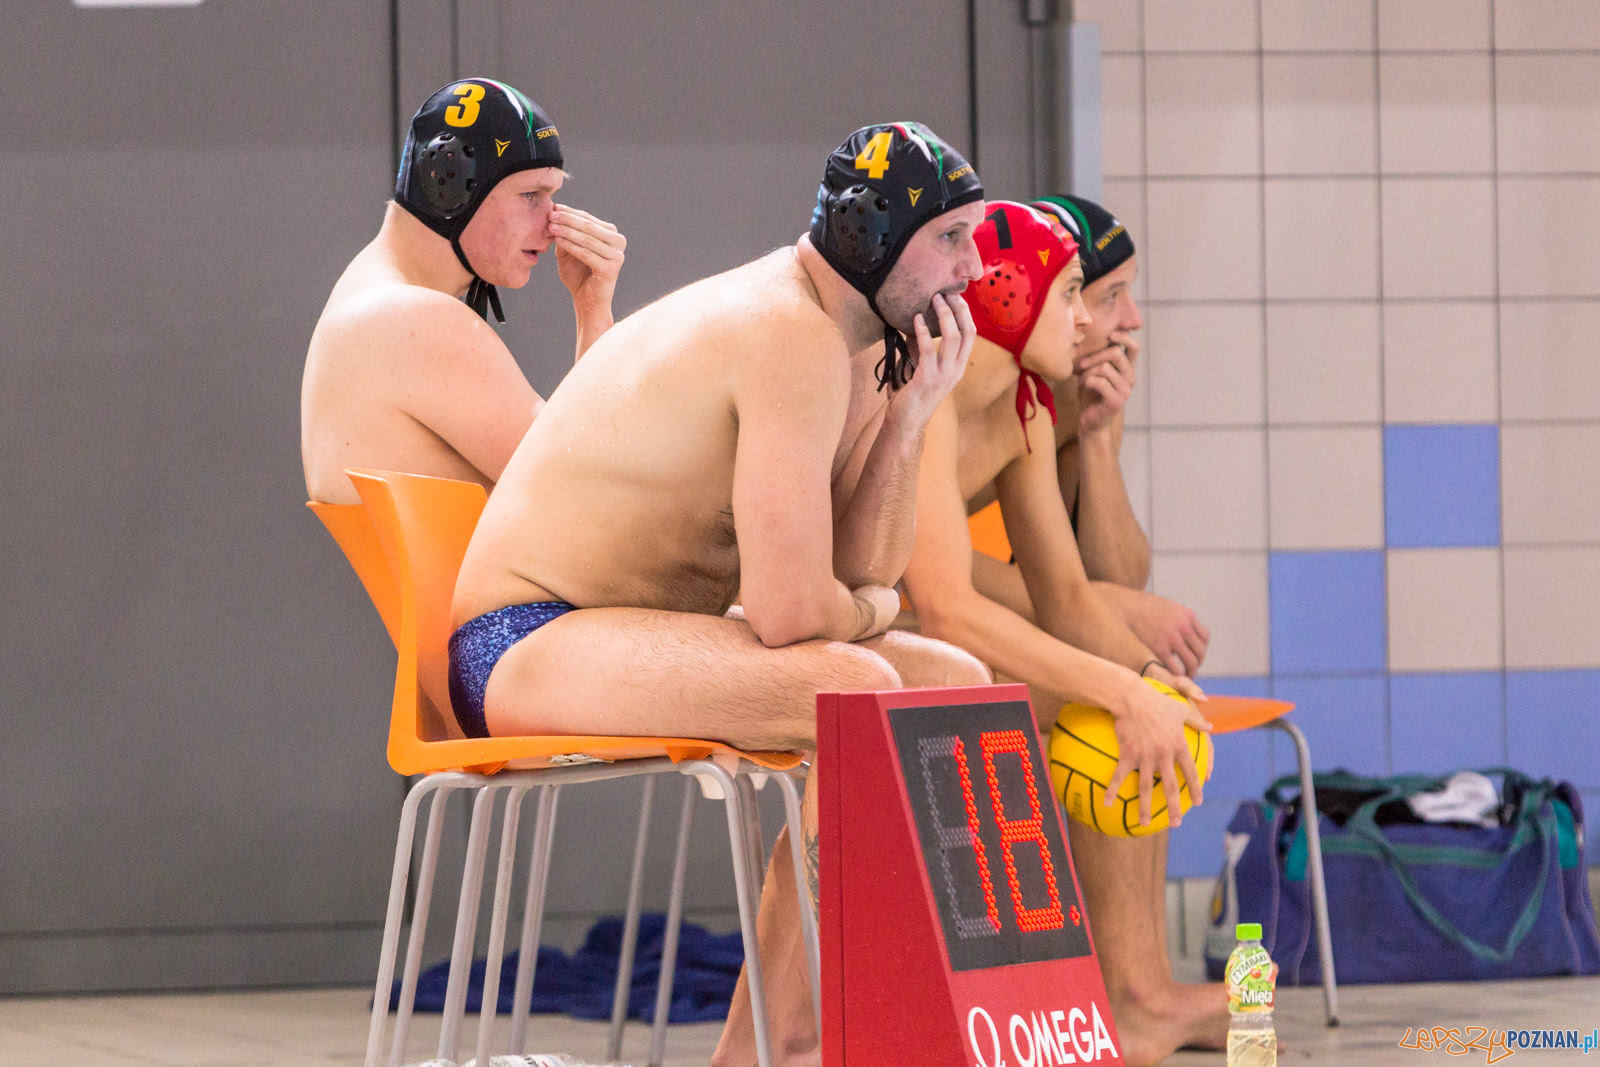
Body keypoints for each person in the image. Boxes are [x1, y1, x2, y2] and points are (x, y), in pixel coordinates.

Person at [449, 123, 994, 1064]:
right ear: (874, 236)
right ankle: (779, 1045)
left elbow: (863, 573)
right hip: (524, 638)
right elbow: (796, 612)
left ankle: (802, 1038)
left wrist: (908, 418)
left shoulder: (856, 346)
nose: (973, 265)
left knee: (956, 681)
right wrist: (867, 615)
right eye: (951, 238)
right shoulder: (786, 332)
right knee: (855, 690)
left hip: (628, 633)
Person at [903, 200, 1224, 1064]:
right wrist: (1119, 679)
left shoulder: (1028, 406)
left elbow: (1079, 592)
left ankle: (1136, 992)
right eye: (1084, 292)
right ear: (1010, 294)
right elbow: (936, 594)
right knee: (1104, 696)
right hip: (840, 614)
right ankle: (1125, 990)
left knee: (1132, 703)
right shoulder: (929, 390)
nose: (1099, 320)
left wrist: (1154, 680)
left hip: (901, 605)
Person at [300, 78, 627, 506]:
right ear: (451, 184)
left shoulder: (366, 294)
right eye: (531, 195)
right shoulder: (413, 320)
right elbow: (597, 489)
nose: (553, 222)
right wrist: (594, 314)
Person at [965, 193, 1210, 678]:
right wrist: (1111, 612)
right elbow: (916, 566)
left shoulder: (1056, 399)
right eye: (1109, 297)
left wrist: (1096, 436)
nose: (1133, 319)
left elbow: (1108, 581)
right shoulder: (949, 398)